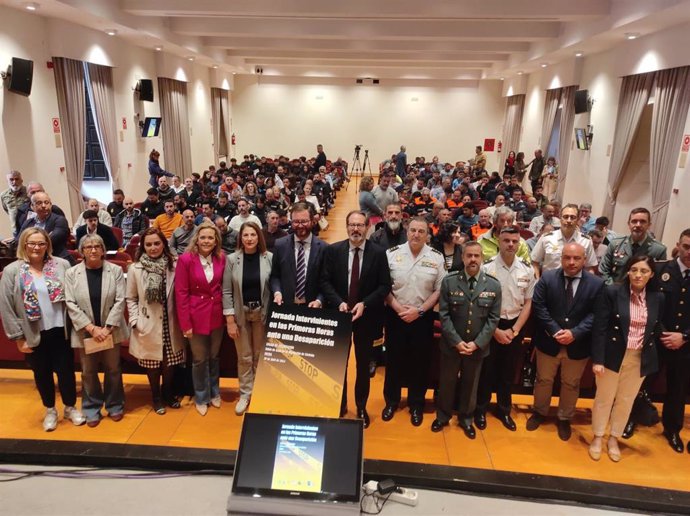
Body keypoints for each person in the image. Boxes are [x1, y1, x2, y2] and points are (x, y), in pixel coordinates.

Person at [0, 228, 85, 431]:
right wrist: (18, 337)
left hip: (60, 329)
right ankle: (50, 410)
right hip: (33, 332)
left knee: (66, 372)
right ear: (24, 245)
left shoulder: (61, 265)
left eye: (41, 243)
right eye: (32, 243)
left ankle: (70, 407)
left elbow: (75, 295)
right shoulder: (13, 271)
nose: (37, 247)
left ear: (48, 245)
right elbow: (6, 305)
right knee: (42, 373)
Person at [588, 255, 664, 461]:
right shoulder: (612, 292)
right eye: (635, 270)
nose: (638, 275)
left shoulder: (657, 297)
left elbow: (656, 327)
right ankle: (597, 436)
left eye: (644, 271)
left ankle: (614, 437)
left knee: (625, 400)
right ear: (628, 271)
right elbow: (600, 328)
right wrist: (598, 359)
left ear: (651, 275)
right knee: (604, 399)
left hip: (639, 357)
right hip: (612, 354)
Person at [526, 243, 605, 441]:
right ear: (561, 258)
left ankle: (564, 418)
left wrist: (575, 333)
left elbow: (597, 314)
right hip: (548, 341)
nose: (571, 262)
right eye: (567, 258)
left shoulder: (596, 283)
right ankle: (539, 412)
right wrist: (555, 330)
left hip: (578, 344)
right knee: (543, 379)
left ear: (584, 259)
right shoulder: (548, 277)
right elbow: (539, 306)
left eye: (576, 258)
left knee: (571, 383)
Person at [320, 211, 391, 427]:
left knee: (362, 365)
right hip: (339, 315)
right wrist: (338, 301)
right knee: (337, 364)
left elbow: (384, 286)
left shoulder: (378, 253)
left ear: (368, 227)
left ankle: (361, 406)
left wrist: (365, 303)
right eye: (352, 225)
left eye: (360, 225)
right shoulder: (333, 251)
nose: (356, 229)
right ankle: (338, 404)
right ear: (346, 226)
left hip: (366, 317)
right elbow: (324, 282)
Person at [431, 241, 501, 437]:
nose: (472, 259)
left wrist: (477, 343)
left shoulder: (493, 285)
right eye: (468, 255)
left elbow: (493, 319)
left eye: (476, 256)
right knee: (447, 382)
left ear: (482, 258)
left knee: (471, 385)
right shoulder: (449, 281)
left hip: (477, 346)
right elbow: (443, 315)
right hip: (452, 345)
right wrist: (456, 342)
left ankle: (466, 418)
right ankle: (442, 416)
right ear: (462, 258)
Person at [382, 218, 446, 427]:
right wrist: (399, 309)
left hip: (422, 316)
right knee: (393, 361)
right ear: (407, 232)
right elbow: (384, 287)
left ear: (428, 234)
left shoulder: (436, 257)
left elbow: (438, 290)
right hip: (395, 314)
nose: (416, 234)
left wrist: (419, 310)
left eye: (421, 231)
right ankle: (391, 401)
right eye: (412, 230)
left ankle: (416, 404)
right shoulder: (392, 254)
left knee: (420, 363)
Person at [64, 234, 128, 427]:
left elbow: (120, 300)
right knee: (88, 371)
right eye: (88, 247)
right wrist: (92, 328)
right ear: (81, 251)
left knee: (113, 369)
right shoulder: (71, 273)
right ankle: (91, 407)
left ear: (103, 250)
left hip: (111, 330)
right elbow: (70, 303)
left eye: (97, 246)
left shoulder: (115, 270)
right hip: (86, 331)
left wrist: (107, 328)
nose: (93, 250)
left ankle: (115, 404)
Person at [476, 227, 536, 431]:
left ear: (519, 243)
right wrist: (495, 331)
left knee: (508, 373)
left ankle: (504, 410)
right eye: (506, 240)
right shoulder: (487, 268)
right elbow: (480, 302)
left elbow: (529, 302)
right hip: (490, 325)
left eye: (514, 241)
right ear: (499, 242)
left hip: (514, 327)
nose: (510, 244)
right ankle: (480, 410)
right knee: (486, 371)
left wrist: (515, 330)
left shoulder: (526, 270)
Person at [126, 228, 185, 415]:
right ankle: (156, 396)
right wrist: (135, 320)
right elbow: (131, 298)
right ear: (143, 247)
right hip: (147, 322)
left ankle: (168, 393)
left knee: (169, 362)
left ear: (164, 244)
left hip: (170, 321)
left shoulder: (174, 266)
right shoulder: (135, 268)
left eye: (157, 243)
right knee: (152, 363)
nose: (153, 248)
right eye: (149, 244)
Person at [175, 221, 226, 416]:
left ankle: (214, 392)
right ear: (196, 239)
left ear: (216, 241)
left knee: (214, 357)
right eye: (203, 237)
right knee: (198, 359)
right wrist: (185, 323)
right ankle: (201, 396)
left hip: (216, 314)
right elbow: (181, 293)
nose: (206, 241)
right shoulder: (186, 259)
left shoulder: (222, 258)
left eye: (210, 238)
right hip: (195, 316)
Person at [223, 222, 273, 415]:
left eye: (253, 235)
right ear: (240, 238)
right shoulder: (231, 259)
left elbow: (273, 287)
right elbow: (227, 291)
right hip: (241, 314)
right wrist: (229, 320)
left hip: (261, 314)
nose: (249, 239)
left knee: (260, 356)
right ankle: (245, 393)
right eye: (246, 235)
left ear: (258, 237)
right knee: (244, 357)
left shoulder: (269, 258)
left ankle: (260, 392)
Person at [657, 229, 690, 453]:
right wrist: (663, 333)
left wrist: (684, 336)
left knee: (678, 389)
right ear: (678, 245)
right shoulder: (660, 269)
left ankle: (672, 429)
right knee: (643, 383)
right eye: (687, 247)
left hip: (685, 345)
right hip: (657, 339)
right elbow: (648, 305)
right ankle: (632, 419)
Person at [270, 203, 327, 308]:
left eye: (304, 221)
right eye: (296, 221)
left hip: (312, 307)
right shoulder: (280, 245)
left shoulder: (324, 248)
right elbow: (275, 276)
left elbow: (326, 282)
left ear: (312, 221)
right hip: (286, 306)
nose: (300, 225)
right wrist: (277, 293)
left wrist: (319, 301)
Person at [599, 207, 667, 285]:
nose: (638, 225)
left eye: (642, 222)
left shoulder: (659, 250)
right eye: (634, 221)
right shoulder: (615, 244)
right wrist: (614, 289)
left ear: (649, 225)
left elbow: (657, 279)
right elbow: (603, 271)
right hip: (614, 292)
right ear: (629, 224)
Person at [530, 203, 598, 277]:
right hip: (549, 284)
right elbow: (534, 262)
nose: (569, 220)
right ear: (560, 218)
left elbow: (590, 267)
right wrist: (538, 282)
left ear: (578, 219)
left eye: (572, 217)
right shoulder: (547, 238)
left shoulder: (586, 241)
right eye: (565, 217)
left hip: (575, 285)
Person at [18, 192, 73, 264]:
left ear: (50, 204)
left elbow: (52, 240)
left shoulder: (59, 220)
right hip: (33, 261)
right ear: (32, 206)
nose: (43, 206)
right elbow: (19, 240)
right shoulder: (28, 222)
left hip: (58, 258)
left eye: (46, 202)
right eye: (39, 203)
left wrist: (31, 242)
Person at [1, 170, 29, 237]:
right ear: (8, 181)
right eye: (11, 179)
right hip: (15, 229)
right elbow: (7, 210)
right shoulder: (3, 195)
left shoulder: (28, 191)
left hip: (28, 226)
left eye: (17, 179)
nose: (14, 182)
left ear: (21, 180)